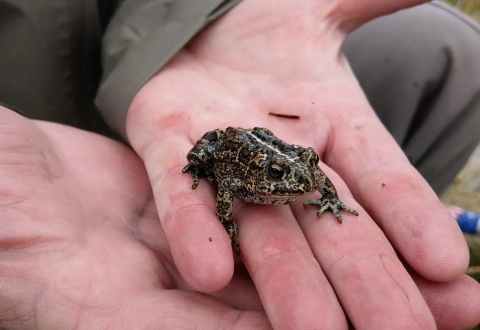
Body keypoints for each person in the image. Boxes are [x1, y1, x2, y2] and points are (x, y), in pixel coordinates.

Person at [0, 0, 479, 329]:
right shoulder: (245, 176)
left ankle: (390, 248)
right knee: (205, 157)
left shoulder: (300, 174)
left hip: (139, 29)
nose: (303, 181)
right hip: (220, 143)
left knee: (445, 43)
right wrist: (225, 224)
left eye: (307, 170)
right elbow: (224, 184)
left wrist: (329, 198)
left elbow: (312, 177)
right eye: (284, 178)